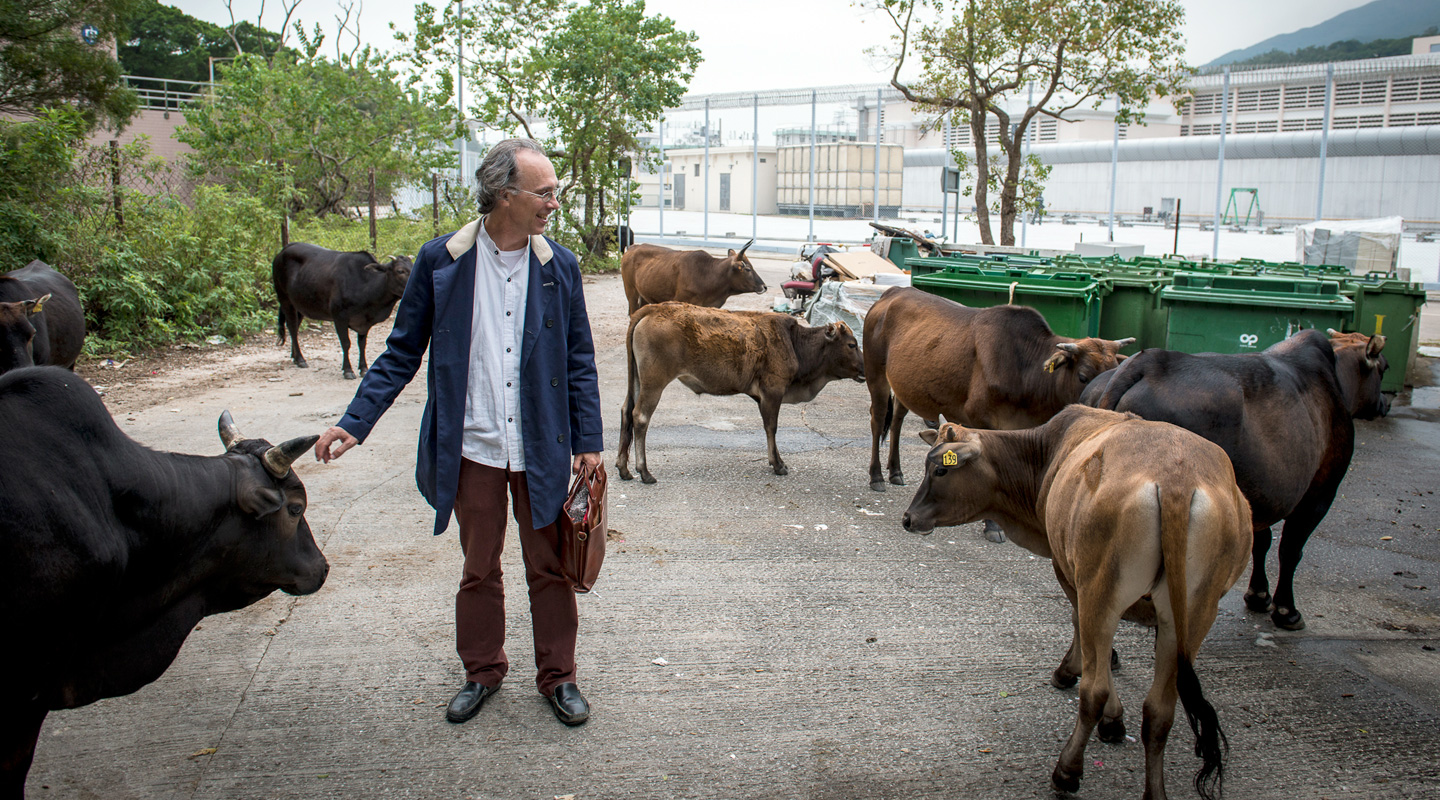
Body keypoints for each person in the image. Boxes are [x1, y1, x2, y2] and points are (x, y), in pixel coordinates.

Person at [313, 138, 604, 727]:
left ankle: (559, 677)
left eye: (554, 192)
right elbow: (400, 353)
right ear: (504, 195)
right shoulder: (440, 262)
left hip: (539, 444)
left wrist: (589, 442)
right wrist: (353, 422)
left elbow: (579, 360)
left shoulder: (559, 267)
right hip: (473, 445)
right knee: (479, 565)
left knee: (549, 567)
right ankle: (482, 671)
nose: (553, 202)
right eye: (543, 192)